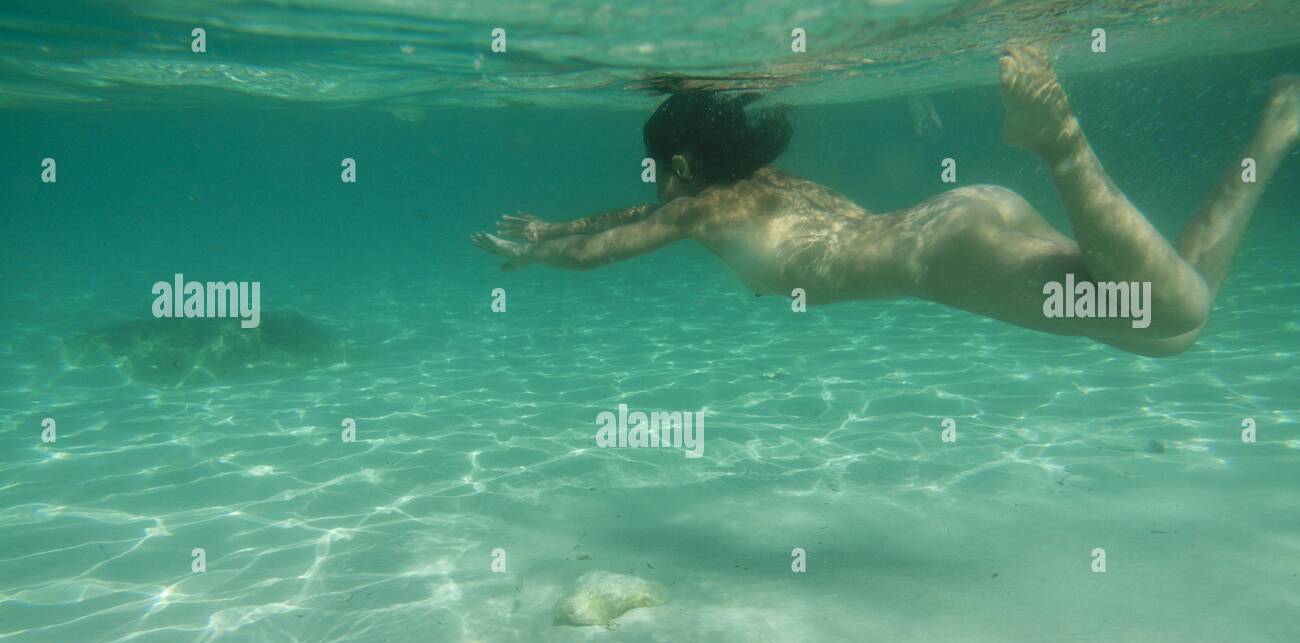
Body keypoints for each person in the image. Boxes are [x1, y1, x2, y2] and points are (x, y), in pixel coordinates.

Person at [471, 45, 1298, 357]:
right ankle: (1275, 133)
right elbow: (630, 218)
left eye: (656, 171)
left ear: (682, 166)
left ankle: (1061, 144)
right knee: (1169, 334)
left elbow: (613, 245)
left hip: (952, 259)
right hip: (965, 221)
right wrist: (556, 225)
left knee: (1172, 308)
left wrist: (535, 253)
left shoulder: (702, 209)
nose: (651, 188)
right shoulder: (753, 189)